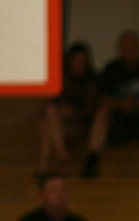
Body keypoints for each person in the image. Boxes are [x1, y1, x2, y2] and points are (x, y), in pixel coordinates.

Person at [81, 30, 139, 179]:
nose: (127, 50)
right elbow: (103, 99)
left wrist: (138, 104)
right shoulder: (111, 68)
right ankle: (91, 161)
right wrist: (121, 104)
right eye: (124, 47)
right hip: (118, 123)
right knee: (102, 112)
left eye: (131, 46)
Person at [37, 42, 99, 174]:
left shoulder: (91, 81)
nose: (79, 63)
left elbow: (90, 110)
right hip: (60, 124)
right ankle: (62, 159)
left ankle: (47, 164)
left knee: (46, 122)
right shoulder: (62, 79)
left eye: (83, 60)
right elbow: (52, 102)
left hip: (80, 125)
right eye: (76, 60)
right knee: (47, 119)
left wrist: (73, 112)